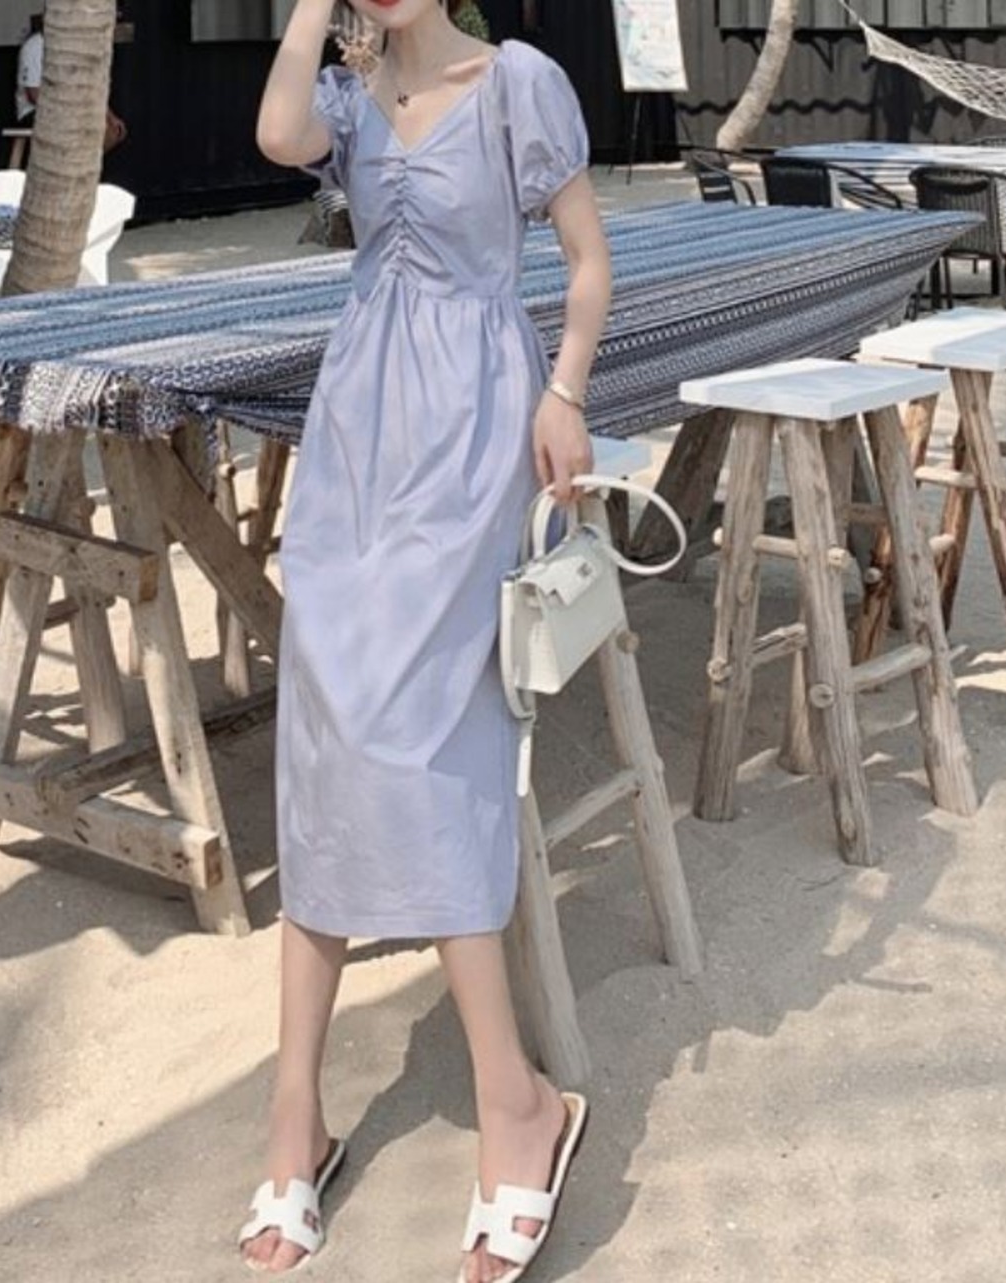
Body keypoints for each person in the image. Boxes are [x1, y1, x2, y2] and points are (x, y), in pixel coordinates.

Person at [245, 1, 612, 1280]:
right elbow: (276, 133)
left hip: (473, 427)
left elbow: (585, 261)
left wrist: (564, 392)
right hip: (356, 426)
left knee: (418, 740)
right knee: (323, 731)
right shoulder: (347, 93)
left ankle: (516, 1100)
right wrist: (310, 14)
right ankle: (294, 1114)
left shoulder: (517, 82)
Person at [13, 10, 128, 153]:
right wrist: (66, 109)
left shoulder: (71, 48)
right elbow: (33, 94)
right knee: (78, 126)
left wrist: (110, 116)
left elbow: (87, 90)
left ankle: (82, 164)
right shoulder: (34, 46)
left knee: (111, 130)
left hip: (69, 108)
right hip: (35, 111)